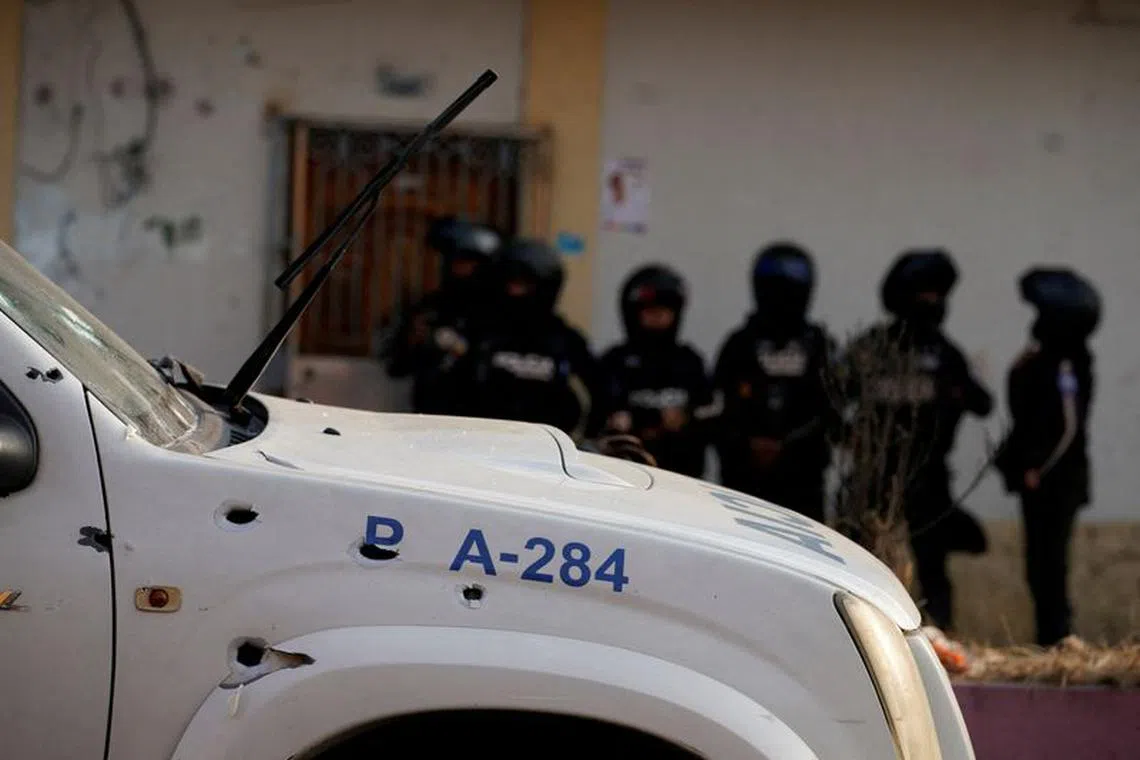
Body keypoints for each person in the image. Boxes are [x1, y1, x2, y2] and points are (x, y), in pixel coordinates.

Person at [844, 249, 992, 632]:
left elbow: (983, 403)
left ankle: (939, 640)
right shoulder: (872, 349)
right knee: (861, 566)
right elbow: (829, 399)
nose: (932, 302)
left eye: (938, 293)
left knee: (931, 568)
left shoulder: (945, 354)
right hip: (873, 482)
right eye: (923, 292)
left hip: (929, 481)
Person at [995, 267, 1100, 647]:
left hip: (1056, 483)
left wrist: (1038, 467)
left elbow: (1067, 426)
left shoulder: (1068, 363)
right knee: (1038, 568)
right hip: (1037, 481)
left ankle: (1058, 639)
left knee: (1051, 566)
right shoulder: (1044, 359)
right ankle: (1047, 640)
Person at [713, 242, 836, 522]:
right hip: (743, 478)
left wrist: (789, 444)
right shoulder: (739, 344)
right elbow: (719, 406)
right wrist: (748, 443)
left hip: (803, 478)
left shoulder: (820, 346)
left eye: (789, 292)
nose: (782, 300)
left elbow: (832, 409)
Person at [467, 237, 610, 441]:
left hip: (546, 454)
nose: (515, 292)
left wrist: (583, 442)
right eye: (511, 284)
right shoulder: (481, 332)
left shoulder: (566, 339)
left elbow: (600, 394)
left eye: (523, 285)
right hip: (482, 443)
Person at [600, 264, 716, 478]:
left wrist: (686, 417)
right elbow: (603, 417)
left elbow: (709, 414)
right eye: (651, 311)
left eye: (665, 311)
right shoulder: (614, 362)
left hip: (681, 477)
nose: (658, 318)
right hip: (622, 476)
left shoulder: (689, 362)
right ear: (634, 313)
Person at [383, 217, 502, 416]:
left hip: (484, 421)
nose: (457, 267)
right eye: (453, 259)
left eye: (466, 261)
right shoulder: (430, 307)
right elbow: (396, 366)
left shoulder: (501, 312)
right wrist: (414, 339)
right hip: (431, 417)